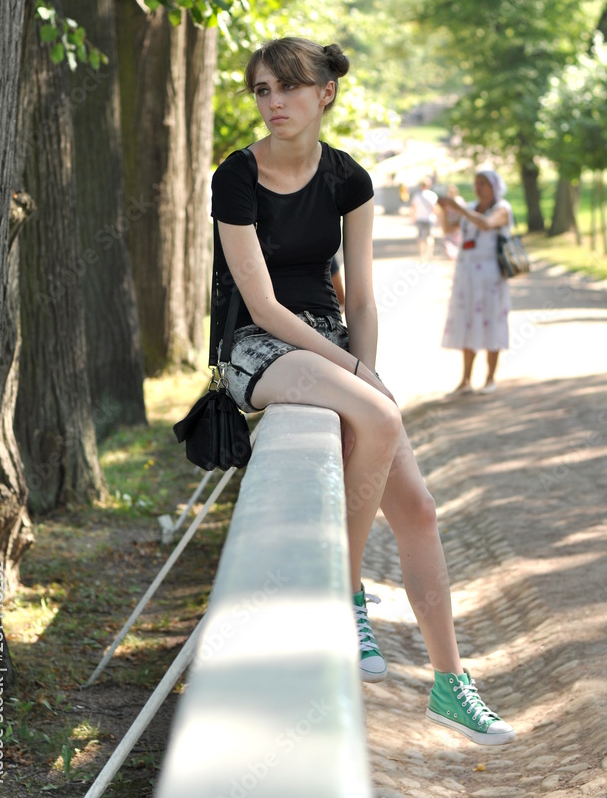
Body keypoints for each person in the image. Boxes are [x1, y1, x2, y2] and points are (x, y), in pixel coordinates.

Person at [210, 37, 515, 745]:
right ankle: (345, 595)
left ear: (326, 94)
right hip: (259, 346)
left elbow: (366, 301)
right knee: (377, 416)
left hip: (329, 339)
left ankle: (449, 685)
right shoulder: (237, 176)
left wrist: (363, 364)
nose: (274, 101)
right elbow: (262, 306)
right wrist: (356, 377)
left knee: (420, 511)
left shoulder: (348, 178)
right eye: (261, 89)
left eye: (288, 86)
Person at [438, 169, 512, 396]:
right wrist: (443, 209)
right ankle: (466, 379)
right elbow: (449, 229)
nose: (478, 187)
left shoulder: (502, 209)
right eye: (476, 182)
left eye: (483, 183)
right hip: (467, 273)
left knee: (491, 320)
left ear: (494, 187)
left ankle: (490, 378)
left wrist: (458, 207)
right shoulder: (470, 207)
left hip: (491, 275)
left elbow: (487, 225)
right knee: (467, 321)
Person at [410, 177, 438, 261]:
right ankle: (430, 254)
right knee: (429, 237)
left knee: (421, 238)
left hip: (419, 218)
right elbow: (435, 208)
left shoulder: (417, 196)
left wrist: (412, 217)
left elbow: (413, 207)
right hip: (430, 218)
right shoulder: (432, 195)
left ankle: (422, 256)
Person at [436, 183, 465, 260]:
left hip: (457, 228)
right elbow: (441, 214)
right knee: (449, 248)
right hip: (448, 226)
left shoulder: (459, 201)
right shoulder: (446, 202)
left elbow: (464, 213)